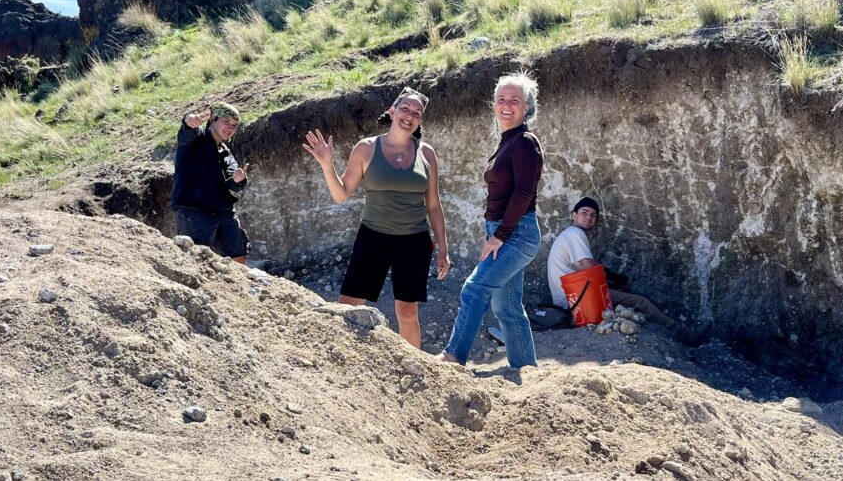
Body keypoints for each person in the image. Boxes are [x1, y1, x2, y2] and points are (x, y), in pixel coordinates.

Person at [302, 87, 451, 349]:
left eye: (417, 112)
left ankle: (415, 370)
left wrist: (443, 249)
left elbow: (434, 205)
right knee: (348, 306)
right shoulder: (366, 148)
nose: (410, 115)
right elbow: (341, 194)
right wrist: (327, 164)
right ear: (392, 111)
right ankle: (342, 364)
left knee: (407, 311)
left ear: (420, 120)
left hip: (414, 241)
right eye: (405, 108)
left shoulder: (427, 153)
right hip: (373, 237)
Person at [438, 73, 543, 369]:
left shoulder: (524, 142)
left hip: (516, 233)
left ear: (526, 107)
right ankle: (526, 367)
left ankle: (453, 356)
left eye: (514, 100)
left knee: (474, 289)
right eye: (501, 99)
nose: (506, 105)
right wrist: (495, 232)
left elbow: (524, 193)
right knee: (507, 306)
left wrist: (500, 235)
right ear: (494, 105)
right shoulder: (508, 142)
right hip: (506, 231)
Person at [546, 196, 708, 346]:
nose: (589, 217)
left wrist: (614, 280)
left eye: (593, 215)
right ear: (573, 215)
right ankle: (685, 336)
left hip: (569, 298)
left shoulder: (567, 235)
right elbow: (590, 267)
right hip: (577, 301)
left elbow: (587, 269)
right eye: (584, 213)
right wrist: (616, 278)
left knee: (620, 292)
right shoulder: (575, 233)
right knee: (640, 302)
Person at [171, 102, 250, 263]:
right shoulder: (196, 138)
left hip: (222, 211)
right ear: (213, 120)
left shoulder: (226, 154)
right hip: (193, 210)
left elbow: (234, 185)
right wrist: (188, 119)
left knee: (238, 250)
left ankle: (240, 287)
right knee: (195, 258)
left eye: (234, 125)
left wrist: (239, 180)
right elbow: (187, 128)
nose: (230, 128)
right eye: (226, 121)